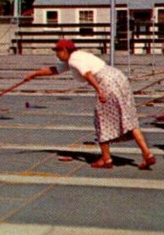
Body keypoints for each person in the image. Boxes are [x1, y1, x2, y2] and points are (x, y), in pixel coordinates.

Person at [24, 38, 156, 170]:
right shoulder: (77, 57)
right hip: (117, 78)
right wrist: (34, 74)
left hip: (106, 82)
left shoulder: (74, 60)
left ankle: (106, 158)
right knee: (128, 118)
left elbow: (87, 74)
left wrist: (99, 91)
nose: (56, 55)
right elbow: (55, 70)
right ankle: (147, 153)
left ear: (64, 50)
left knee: (101, 120)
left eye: (57, 51)